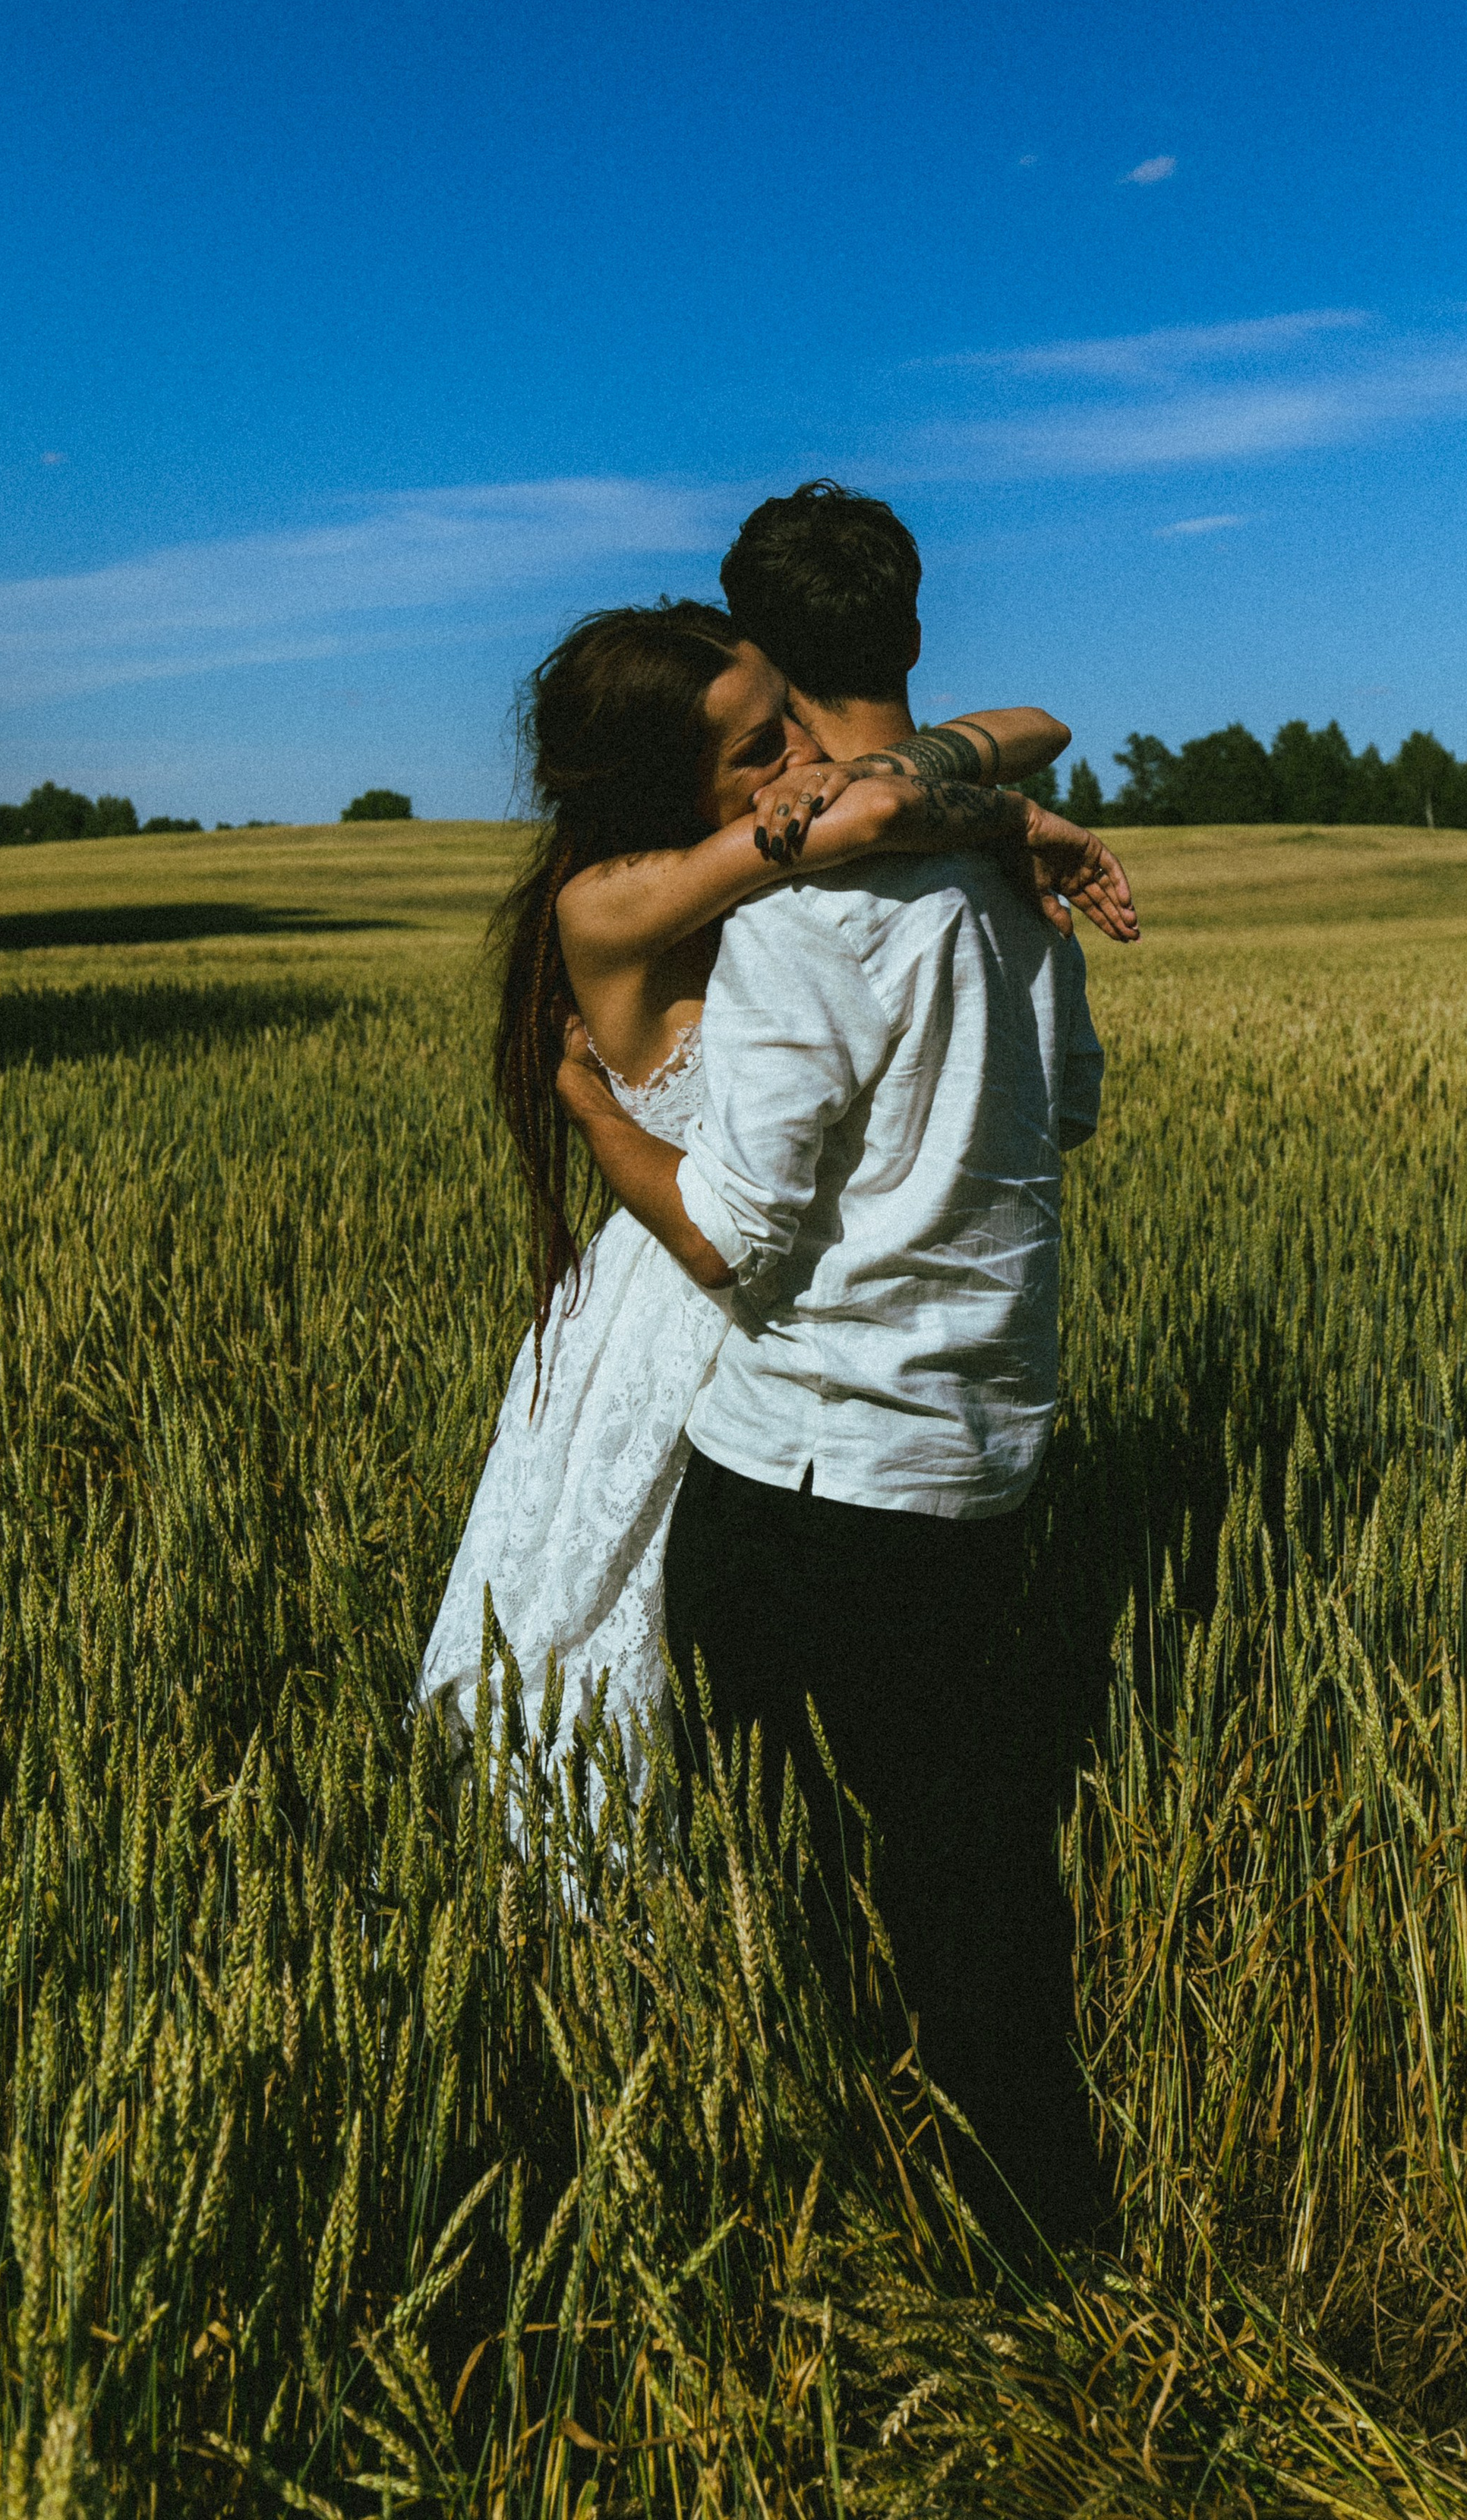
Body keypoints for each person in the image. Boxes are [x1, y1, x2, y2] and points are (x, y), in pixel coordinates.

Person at [555, 484, 1134, 2228]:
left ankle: (862, 2206)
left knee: (786, 1862)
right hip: (981, 1436)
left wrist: (587, 1115)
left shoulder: (806, 912)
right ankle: (1027, 2230)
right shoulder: (1003, 864)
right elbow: (1073, 1111)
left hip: (807, 1457)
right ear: (907, 620)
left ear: (779, 678)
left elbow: (733, 1230)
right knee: (963, 1843)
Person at [418, 585, 1137, 1774]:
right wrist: (1018, 822)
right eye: (763, 746)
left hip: (787, 1307)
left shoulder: (764, 865)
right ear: (665, 784)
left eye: (795, 718)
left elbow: (1037, 722)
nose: (807, 757)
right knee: (628, 1670)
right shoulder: (611, 900)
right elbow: (870, 817)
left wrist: (930, 784)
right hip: (678, 1306)